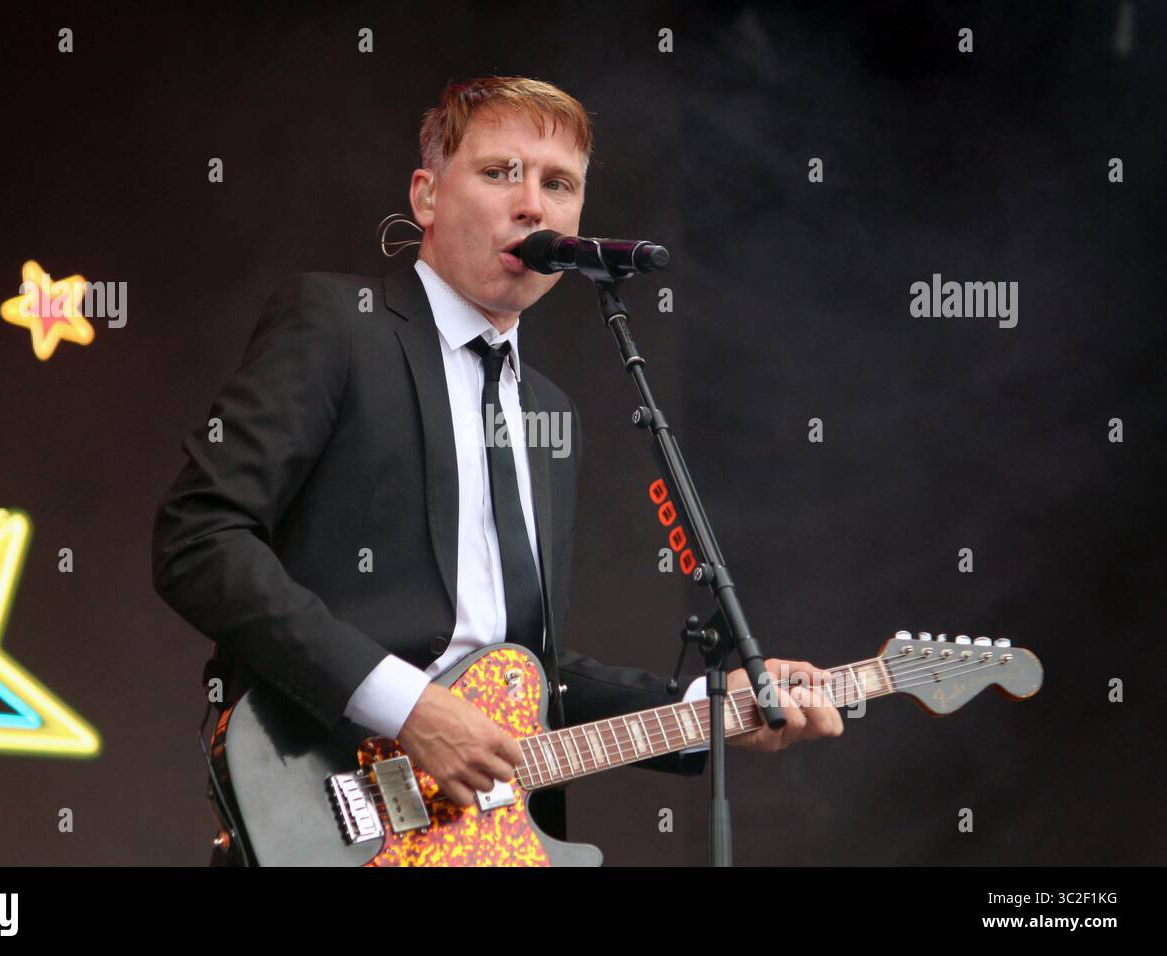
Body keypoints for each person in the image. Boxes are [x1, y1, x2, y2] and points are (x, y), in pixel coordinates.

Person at [151, 75, 842, 866]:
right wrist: (407, 706)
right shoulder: (341, 327)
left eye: (559, 184)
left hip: (485, 841)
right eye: (499, 172)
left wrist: (710, 703)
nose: (532, 205)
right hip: (329, 810)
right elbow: (199, 537)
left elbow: (526, 674)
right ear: (427, 195)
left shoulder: (550, 412)